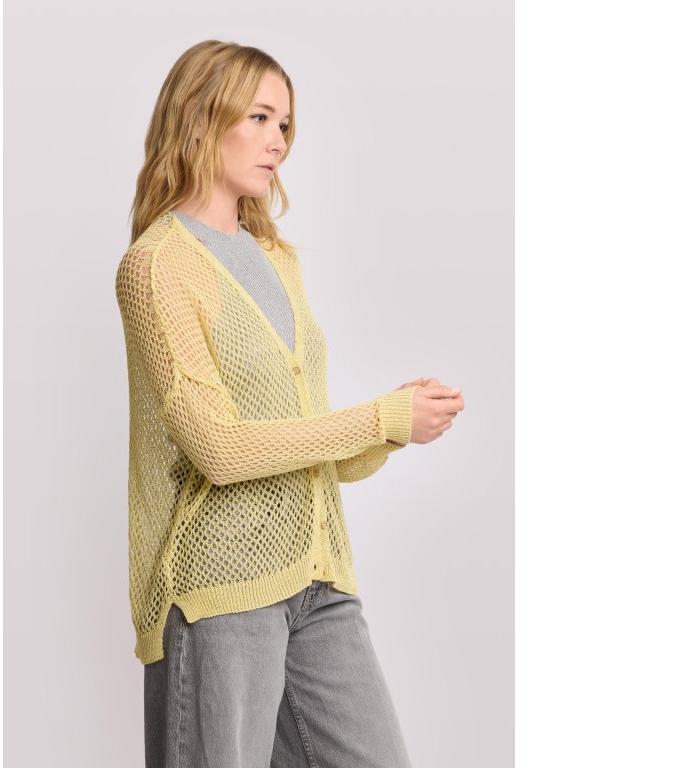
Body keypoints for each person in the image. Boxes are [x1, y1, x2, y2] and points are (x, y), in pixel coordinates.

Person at [114, 40, 465, 768]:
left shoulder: (276, 258)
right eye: (261, 117)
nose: (279, 140)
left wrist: (394, 428)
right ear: (200, 115)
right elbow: (218, 448)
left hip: (320, 583)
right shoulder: (157, 266)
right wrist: (378, 418)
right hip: (221, 593)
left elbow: (308, 449)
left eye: (285, 124)